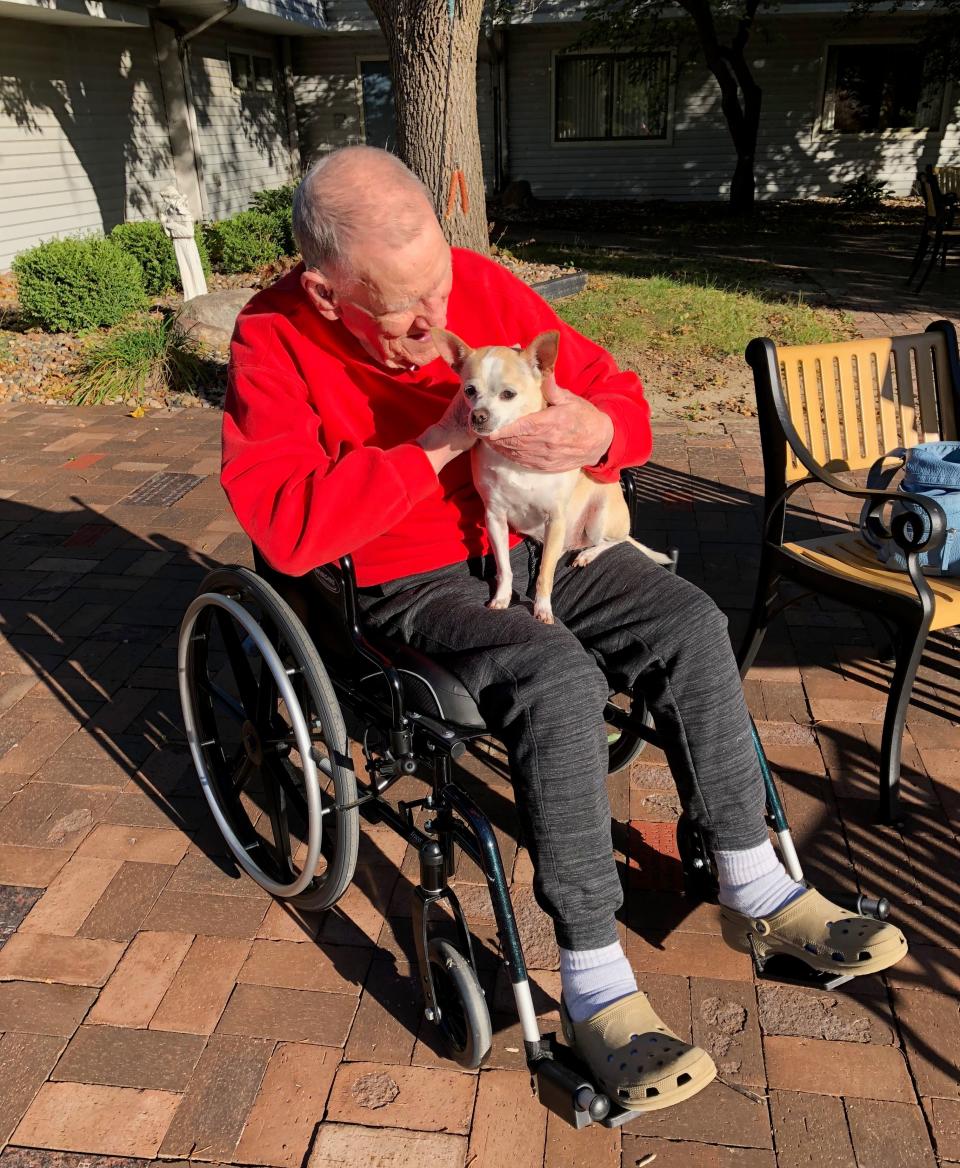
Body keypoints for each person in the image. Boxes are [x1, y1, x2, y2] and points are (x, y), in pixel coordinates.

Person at [221, 146, 907, 1112]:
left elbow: (615, 391)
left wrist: (599, 435)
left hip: (544, 533)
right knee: (555, 677)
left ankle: (755, 882)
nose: (439, 324)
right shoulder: (275, 339)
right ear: (329, 294)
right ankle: (594, 980)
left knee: (690, 621)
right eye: (406, 311)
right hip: (403, 574)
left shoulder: (483, 290)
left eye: (442, 288)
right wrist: (435, 447)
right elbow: (284, 526)